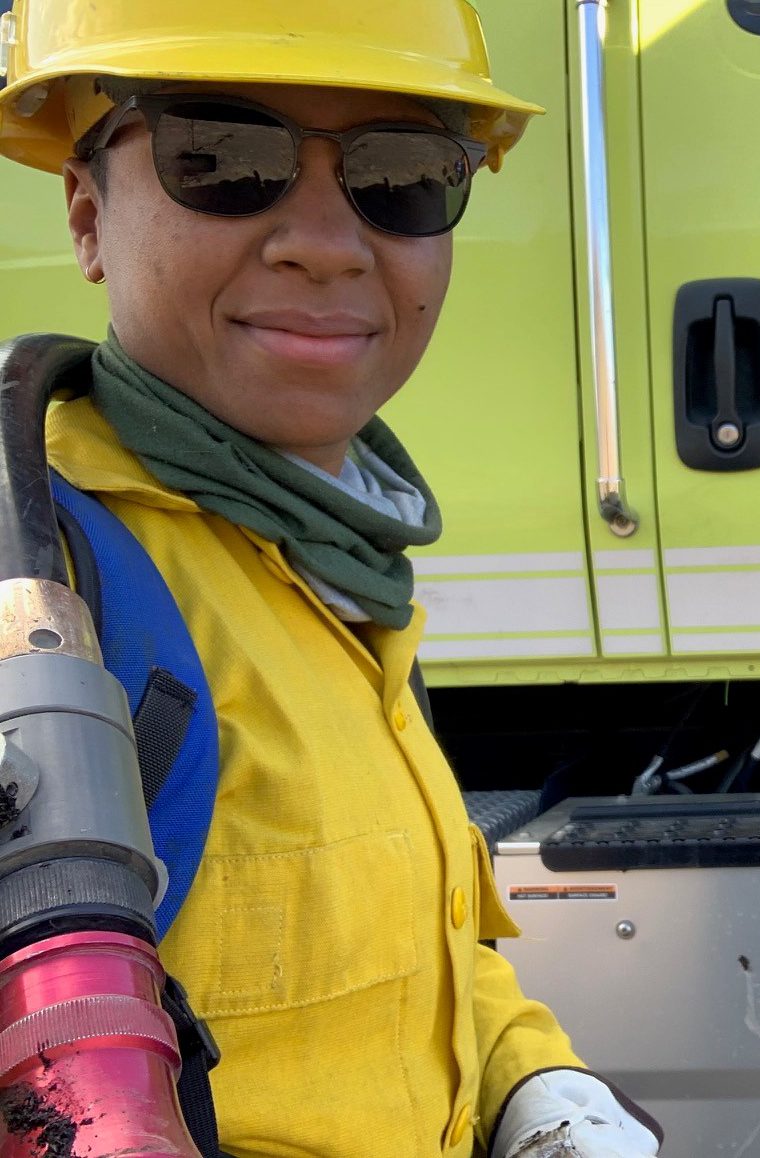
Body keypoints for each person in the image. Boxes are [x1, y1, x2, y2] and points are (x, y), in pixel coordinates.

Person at [0, 3, 663, 1156]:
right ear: (87, 214)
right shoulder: (44, 589)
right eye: (220, 159)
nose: (326, 240)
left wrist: (534, 1087)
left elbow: (416, 954)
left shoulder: (329, 571)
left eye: (398, 174)